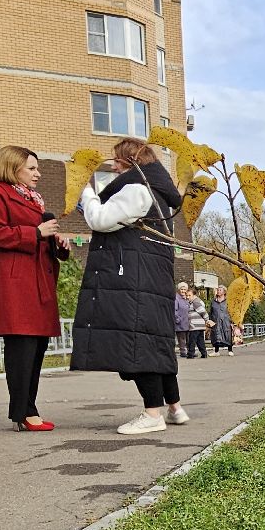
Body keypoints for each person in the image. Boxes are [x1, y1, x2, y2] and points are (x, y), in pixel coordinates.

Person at [73, 137, 191, 435]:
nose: (112, 165)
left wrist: (85, 193)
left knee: (138, 344)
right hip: (149, 277)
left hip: (133, 279)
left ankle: (152, 414)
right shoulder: (156, 189)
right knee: (156, 340)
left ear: (131, 161)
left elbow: (101, 220)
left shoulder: (137, 189)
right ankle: (174, 407)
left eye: (117, 160)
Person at [0, 145, 69, 432]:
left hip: (38, 278)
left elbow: (39, 236)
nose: (37, 174)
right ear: (12, 167)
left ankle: (28, 409)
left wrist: (57, 243)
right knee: (22, 346)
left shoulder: (33, 200)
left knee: (37, 346)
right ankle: (24, 411)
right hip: (16, 282)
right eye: (31, 168)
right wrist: (35, 233)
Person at [209, 286, 236, 353]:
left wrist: (233, 322)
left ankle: (230, 350)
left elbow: (232, 312)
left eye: (220, 290)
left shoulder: (228, 301)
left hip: (226, 321)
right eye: (218, 290)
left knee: (228, 335)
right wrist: (210, 320)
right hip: (216, 321)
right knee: (216, 335)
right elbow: (211, 311)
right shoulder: (213, 301)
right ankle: (216, 351)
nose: (218, 291)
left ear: (224, 292)